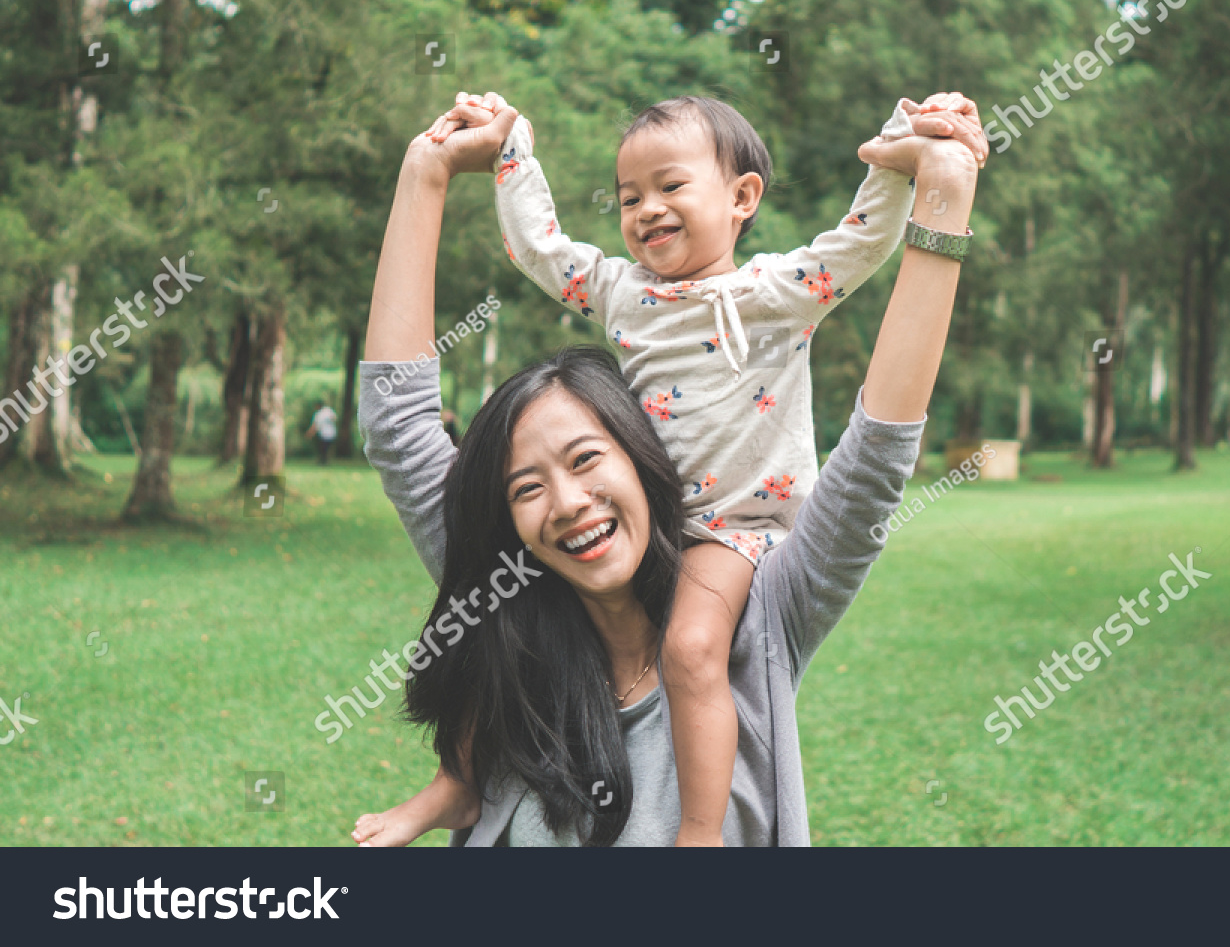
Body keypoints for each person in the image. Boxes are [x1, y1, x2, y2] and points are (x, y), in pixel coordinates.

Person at [351, 89, 984, 846]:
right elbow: (532, 259)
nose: (570, 503)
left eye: (587, 458)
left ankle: (699, 833)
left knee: (687, 646)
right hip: (637, 549)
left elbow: (864, 281)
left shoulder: (765, 619)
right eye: (527, 486)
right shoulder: (517, 579)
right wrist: (464, 160)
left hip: (740, 534)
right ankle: (457, 782)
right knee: (485, 626)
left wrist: (920, 170)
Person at [306, 398, 338, 465]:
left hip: (330, 433)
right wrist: (310, 433)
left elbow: (334, 418)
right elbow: (314, 425)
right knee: (322, 448)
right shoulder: (317, 414)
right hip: (322, 434)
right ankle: (323, 460)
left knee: (325, 448)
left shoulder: (328, 411)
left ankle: (325, 460)